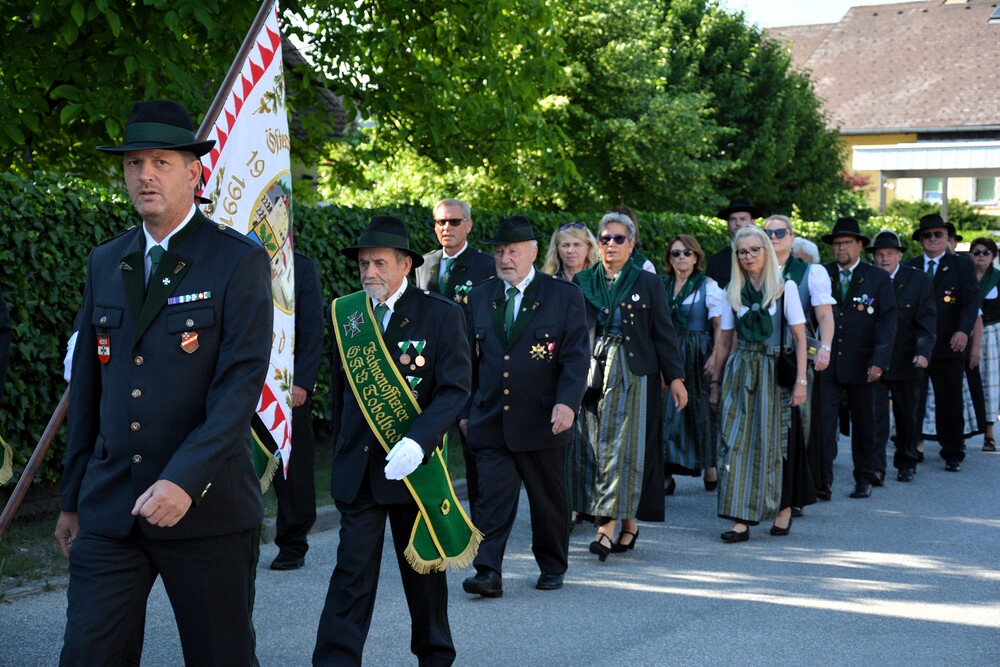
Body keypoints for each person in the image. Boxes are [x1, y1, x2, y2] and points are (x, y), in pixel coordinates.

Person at [56, 100, 273, 665]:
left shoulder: (236, 259)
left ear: (193, 172)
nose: (145, 175)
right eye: (134, 163)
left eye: (160, 162)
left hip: (205, 507)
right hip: (111, 508)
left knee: (220, 657)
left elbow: (238, 388)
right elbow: (89, 390)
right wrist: (72, 498)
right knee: (87, 655)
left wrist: (184, 480)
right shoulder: (107, 260)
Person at [315, 216, 472, 666]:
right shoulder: (347, 314)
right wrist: (342, 449)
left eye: (379, 263)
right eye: (364, 264)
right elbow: (343, 394)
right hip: (361, 471)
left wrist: (419, 441)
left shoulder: (440, 314)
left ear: (405, 264)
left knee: (423, 576)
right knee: (351, 575)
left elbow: (454, 389)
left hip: (412, 472)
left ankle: (435, 657)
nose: (369, 272)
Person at [460, 216, 589, 597]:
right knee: (490, 500)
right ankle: (488, 571)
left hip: (543, 419)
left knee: (548, 502)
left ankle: (552, 565)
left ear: (533, 252)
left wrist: (567, 404)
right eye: (499, 252)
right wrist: (465, 412)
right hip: (491, 418)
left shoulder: (563, 296)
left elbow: (575, 357)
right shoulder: (480, 296)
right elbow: (466, 360)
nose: (505, 259)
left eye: (513, 251)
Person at [571, 212, 687, 559]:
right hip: (594, 373)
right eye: (605, 238)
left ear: (631, 244)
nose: (611, 245)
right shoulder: (583, 281)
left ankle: (606, 527)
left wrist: (676, 378)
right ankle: (628, 524)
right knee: (598, 448)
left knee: (627, 449)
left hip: (636, 374)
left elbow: (664, 333)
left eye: (618, 239)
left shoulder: (648, 282)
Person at [710, 226, 808, 542]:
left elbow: (800, 338)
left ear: (766, 250)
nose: (749, 256)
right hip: (741, 371)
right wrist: (715, 383)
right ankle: (740, 517)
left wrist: (801, 382)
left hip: (774, 370)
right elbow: (725, 341)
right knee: (735, 441)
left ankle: (783, 507)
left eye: (755, 249)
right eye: (742, 252)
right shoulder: (732, 290)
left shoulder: (785, 287)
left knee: (776, 442)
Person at [413, 197, 495, 522]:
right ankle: (430, 524)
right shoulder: (422, 264)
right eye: (441, 222)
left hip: (471, 371)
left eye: (454, 221)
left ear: (468, 226)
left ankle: (480, 529)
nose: (447, 227)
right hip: (428, 371)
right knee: (427, 448)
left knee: (475, 452)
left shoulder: (486, 265)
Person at [817, 218, 896, 499]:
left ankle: (864, 477)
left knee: (865, 424)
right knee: (823, 426)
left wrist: (879, 361)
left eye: (847, 243)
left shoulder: (877, 278)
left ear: (860, 245)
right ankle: (822, 482)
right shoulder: (822, 274)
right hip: (827, 364)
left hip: (863, 364)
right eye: (837, 243)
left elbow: (887, 322)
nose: (841, 248)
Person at [763, 215, 834, 513]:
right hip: (760, 356)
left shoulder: (811, 272)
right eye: (768, 232)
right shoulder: (753, 268)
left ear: (792, 237)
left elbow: (824, 315)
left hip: (796, 355)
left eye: (780, 232)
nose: (774, 237)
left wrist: (825, 347)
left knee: (796, 426)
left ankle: (794, 493)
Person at [905, 213, 979, 472]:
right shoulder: (910, 266)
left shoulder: (961, 265)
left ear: (947, 237)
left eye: (938, 234)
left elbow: (971, 302)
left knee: (950, 400)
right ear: (920, 240)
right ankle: (911, 449)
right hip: (916, 345)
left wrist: (963, 331)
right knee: (913, 400)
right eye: (927, 235)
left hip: (949, 343)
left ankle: (953, 451)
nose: (933, 239)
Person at [270, 252, 324, 570]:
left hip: (285, 386)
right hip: (239, 383)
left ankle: (292, 543)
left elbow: (312, 328)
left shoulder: (301, 267)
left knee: (292, 469)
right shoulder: (231, 257)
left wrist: (302, 382)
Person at [868, 230, 936, 484]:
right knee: (876, 416)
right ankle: (876, 467)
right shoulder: (867, 279)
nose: (884, 258)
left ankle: (906, 461)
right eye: (880, 254)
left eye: (890, 253)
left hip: (907, 358)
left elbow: (927, 319)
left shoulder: (918, 280)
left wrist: (923, 351)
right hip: (874, 359)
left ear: (899, 255)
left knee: (906, 414)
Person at [660, 234, 724, 494]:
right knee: (667, 412)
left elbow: (719, 325)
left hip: (698, 352)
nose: (681, 258)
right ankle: (665, 473)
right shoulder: (662, 285)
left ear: (696, 257)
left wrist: (715, 355)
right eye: (676, 253)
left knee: (700, 409)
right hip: (669, 350)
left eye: (687, 253)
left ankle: (710, 466)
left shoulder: (707, 285)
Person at [968, 236, 1000, 452]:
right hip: (965, 331)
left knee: (990, 383)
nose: (981, 256)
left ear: (993, 256)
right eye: (977, 252)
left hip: (992, 334)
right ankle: (963, 431)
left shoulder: (998, 278)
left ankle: (989, 433)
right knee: (964, 383)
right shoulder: (964, 277)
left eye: (985, 253)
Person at [706, 197, 760, 288]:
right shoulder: (715, 261)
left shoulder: (764, 255)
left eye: (742, 219)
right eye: (733, 219)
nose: (738, 223)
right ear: (728, 224)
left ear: (752, 222)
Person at [610, 205, 656, 274]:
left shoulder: (645, 267)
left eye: (619, 238)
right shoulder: (597, 264)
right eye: (607, 238)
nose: (612, 242)